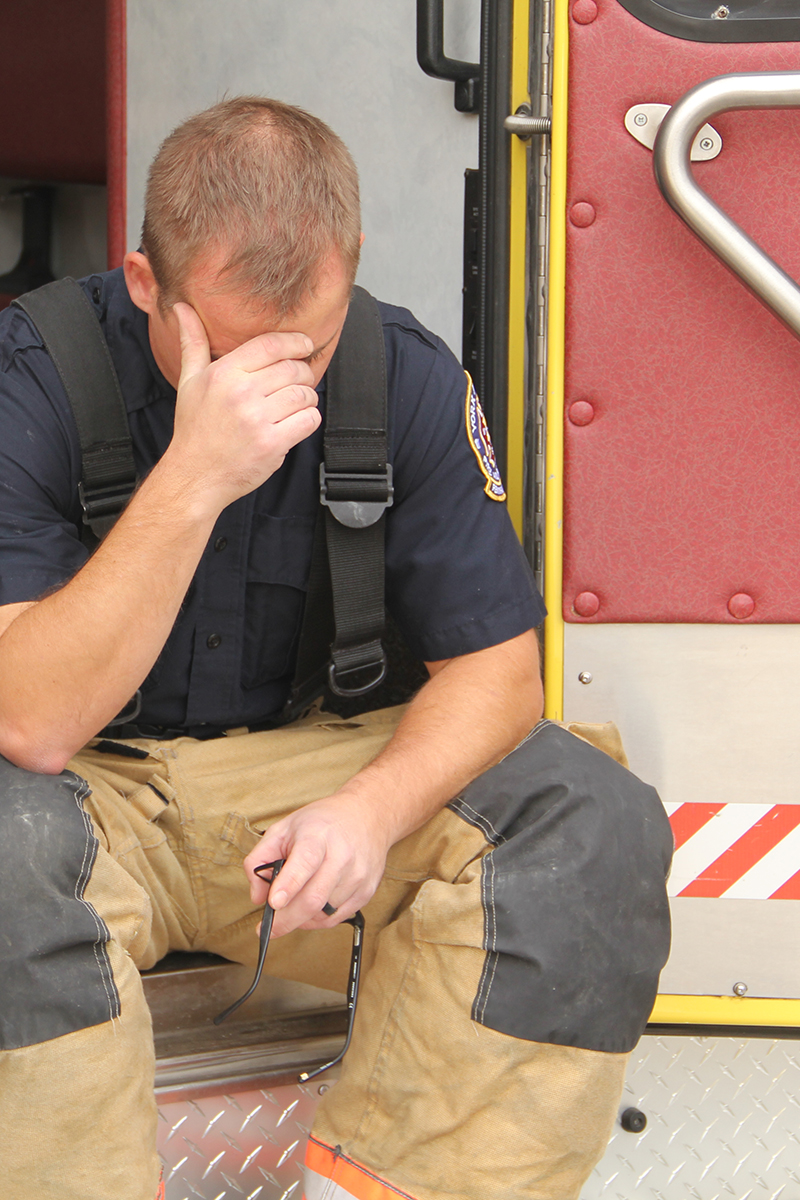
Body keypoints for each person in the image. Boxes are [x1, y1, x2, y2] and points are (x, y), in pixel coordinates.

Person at [0, 98, 672, 1200]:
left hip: (301, 786)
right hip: (83, 791)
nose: (268, 380)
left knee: (585, 816)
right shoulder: (31, 375)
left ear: (349, 265)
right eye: (217, 344)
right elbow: (28, 721)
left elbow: (498, 674)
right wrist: (194, 475)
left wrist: (372, 811)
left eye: (301, 348)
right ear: (141, 284)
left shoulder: (401, 374)